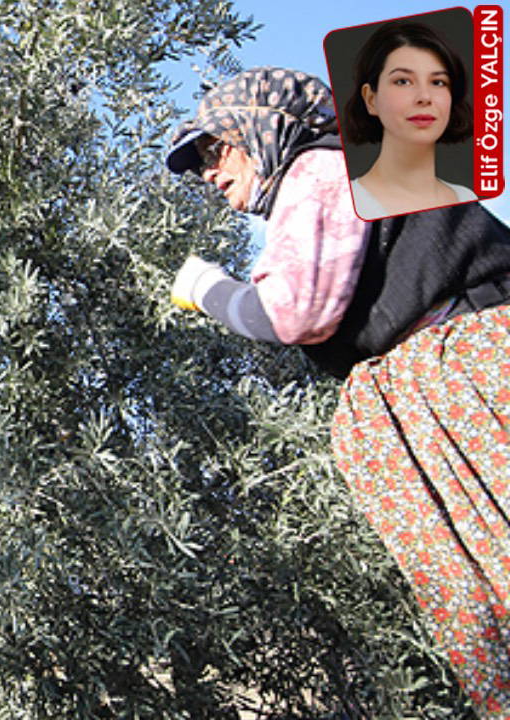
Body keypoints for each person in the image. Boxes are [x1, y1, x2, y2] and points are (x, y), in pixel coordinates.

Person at [166, 67, 510, 716]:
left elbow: (293, 313)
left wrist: (206, 290)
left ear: (266, 128)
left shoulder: (320, 171)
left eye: (215, 149)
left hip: (468, 379)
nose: (208, 173)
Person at [341, 20, 476, 220]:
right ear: (371, 99)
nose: (424, 97)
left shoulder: (466, 198)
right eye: (403, 81)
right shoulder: (345, 204)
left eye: (438, 82)